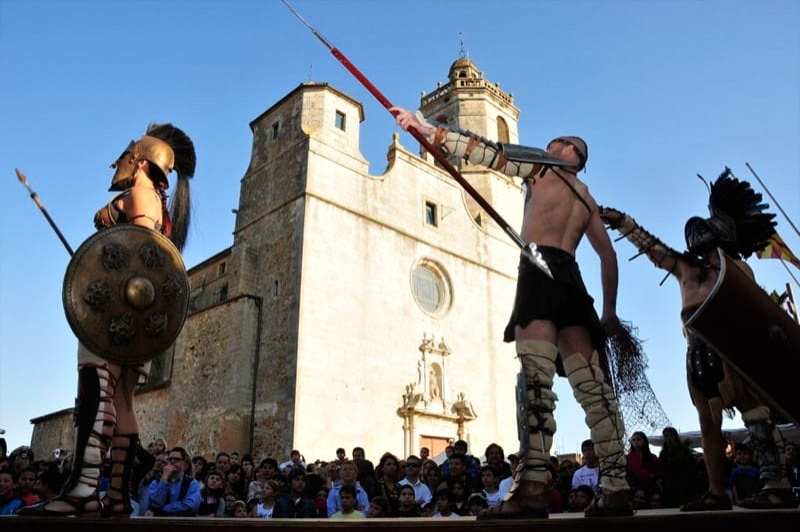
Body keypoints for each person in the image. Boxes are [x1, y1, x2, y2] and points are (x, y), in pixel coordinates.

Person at [393, 107, 631, 518]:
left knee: (537, 387)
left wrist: (425, 129)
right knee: (593, 389)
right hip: (572, 281)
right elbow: (608, 257)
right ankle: (616, 487)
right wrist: (609, 312)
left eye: (559, 141)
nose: (551, 144)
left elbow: (491, 154)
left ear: (569, 152)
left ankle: (533, 489)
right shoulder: (587, 199)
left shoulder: (543, 166)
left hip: (538, 272)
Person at [18, 124, 196, 518]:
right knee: (123, 400)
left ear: (142, 161)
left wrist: (113, 215)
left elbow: (140, 252)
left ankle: (83, 489)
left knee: (95, 391)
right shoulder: (164, 208)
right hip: (142, 324)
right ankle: (117, 495)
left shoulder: (139, 194)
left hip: (117, 315)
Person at [600, 169, 797, 511]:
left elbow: (756, 311)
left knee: (756, 414)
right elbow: (652, 248)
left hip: (735, 349)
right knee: (708, 423)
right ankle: (716, 492)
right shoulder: (685, 269)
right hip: (697, 351)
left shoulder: (736, 269)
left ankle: (776, 485)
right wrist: (621, 222)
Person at [146, 446, 202, 517]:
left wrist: (163, 509)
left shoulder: (192, 483)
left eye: (177, 459)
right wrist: (164, 479)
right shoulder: (156, 483)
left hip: (183, 522)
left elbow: (191, 505)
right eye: (170, 459)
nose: (172, 461)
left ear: (184, 463)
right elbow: (154, 503)